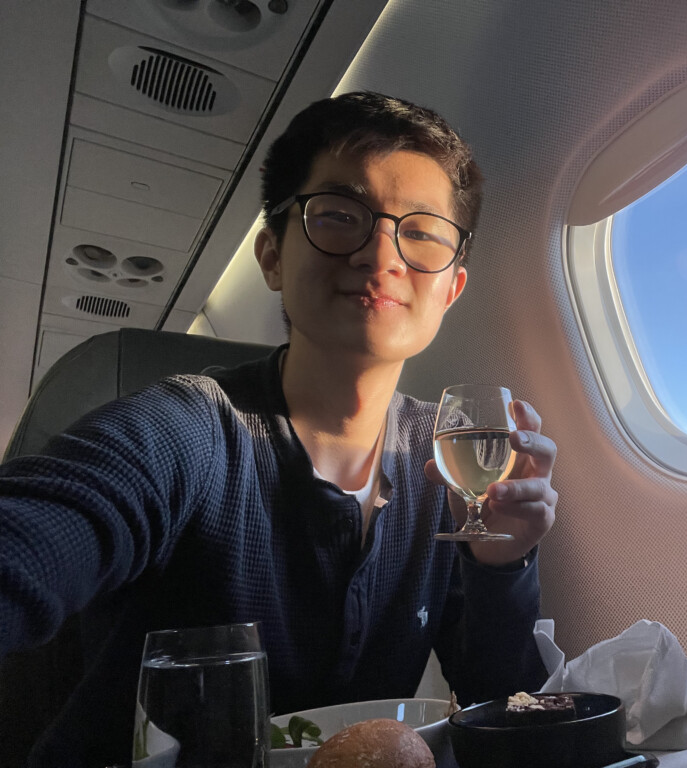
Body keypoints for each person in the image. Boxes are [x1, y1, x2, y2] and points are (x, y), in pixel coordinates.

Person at [0, 91, 557, 767]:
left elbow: (503, 700)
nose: (380, 252)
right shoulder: (188, 429)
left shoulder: (439, 463)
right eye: (339, 217)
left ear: (449, 288)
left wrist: (500, 565)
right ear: (271, 256)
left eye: (421, 234)